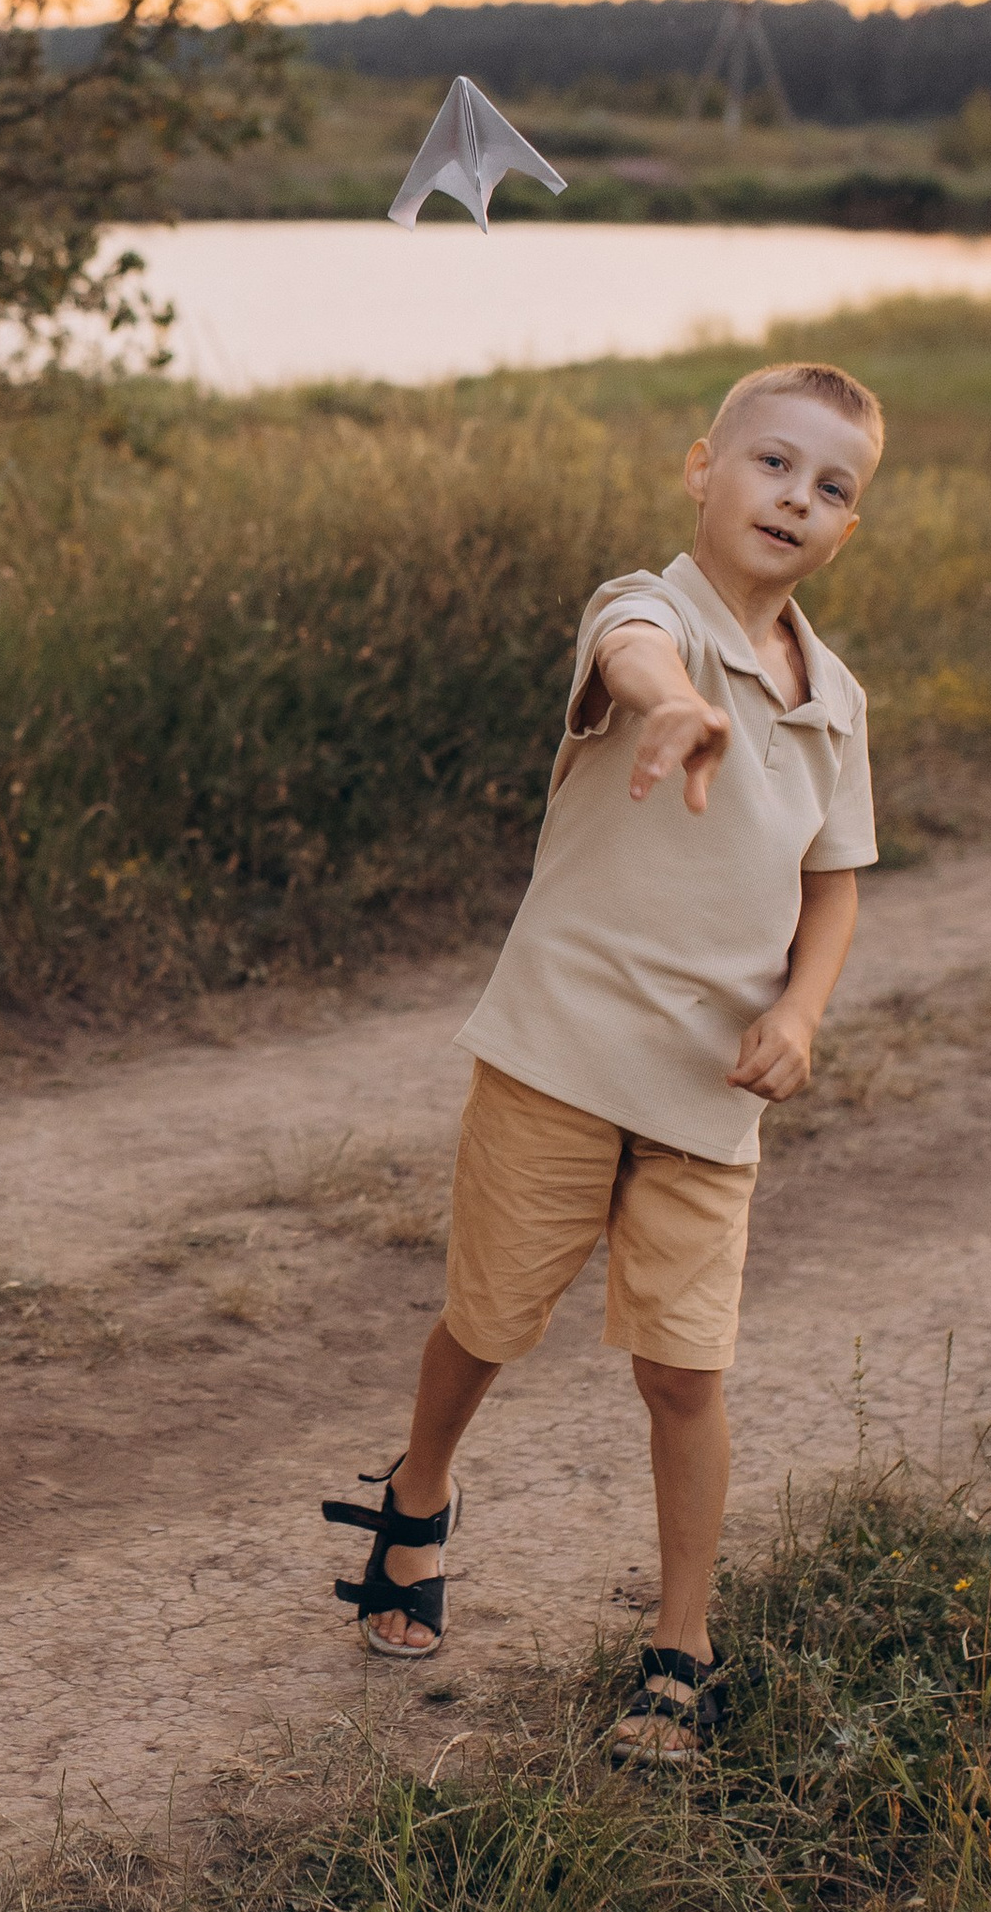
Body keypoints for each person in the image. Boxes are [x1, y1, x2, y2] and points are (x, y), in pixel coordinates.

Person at [325, 360, 883, 1763]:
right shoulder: (644, 613)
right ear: (703, 468)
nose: (795, 499)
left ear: (848, 529)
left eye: (832, 488)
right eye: (771, 464)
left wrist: (803, 1011)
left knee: (686, 1373)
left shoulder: (836, 701)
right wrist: (672, 706)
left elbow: (834, 887)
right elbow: (634, 652)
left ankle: (681, 1644)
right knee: (491, 1319)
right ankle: (423, 1486)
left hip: (709, 1099)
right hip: (560, 1059)